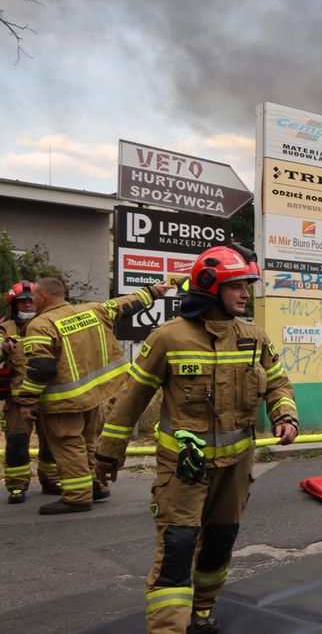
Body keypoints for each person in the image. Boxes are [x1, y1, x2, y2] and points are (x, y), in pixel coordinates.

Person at [95, 244, 299, 634]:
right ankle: (168, 627)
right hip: (183, 469)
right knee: (178, 545)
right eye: (236, 286)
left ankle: (202, 610)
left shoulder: (254, 337)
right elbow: (130, 400)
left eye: (247, 286)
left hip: (236, 467)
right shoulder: (168, 338)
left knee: (221, 541)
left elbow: (278, 382)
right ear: (209, 288)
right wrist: (108, 456)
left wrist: (285, 415)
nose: (245, 294)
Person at [13, 277, 167, 514]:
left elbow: (41, 368)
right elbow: (126, 304)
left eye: (33, 297)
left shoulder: (41, 325)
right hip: (94, 395)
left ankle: (77, 496)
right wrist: (154, 291)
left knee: (69, 445)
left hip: (63, 401)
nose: (31, 302)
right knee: (87, 442)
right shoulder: (92, 310)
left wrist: (27, 400)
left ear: (43, 297)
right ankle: (96, 486)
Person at [1, 281, 59, 503]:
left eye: (29, 300)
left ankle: (51, 479)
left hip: (47, 397)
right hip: (17, 400)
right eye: (21, 302)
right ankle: (17, 486)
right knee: (16, 444)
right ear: (13, 306)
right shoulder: (6, 329)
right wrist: (4, 346)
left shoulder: (48, 325)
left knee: (51, 442)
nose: (26, 305)